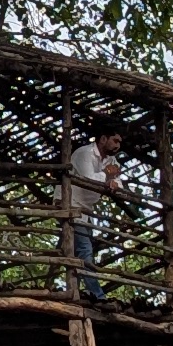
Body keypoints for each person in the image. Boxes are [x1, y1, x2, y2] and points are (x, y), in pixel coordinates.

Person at [68, 126, 123, 298]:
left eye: (119, 142)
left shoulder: (111, 162)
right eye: (115, 140)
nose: (118, 146)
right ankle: (98, 295)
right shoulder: (84, 153)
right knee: (84, 250)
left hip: (86, 209)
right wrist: (107, 176)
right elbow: (88, 178)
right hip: (71, 204)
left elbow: (119, 182)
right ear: (103, 139)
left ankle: (73, 291)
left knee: (72, 249)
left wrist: (114, 183)